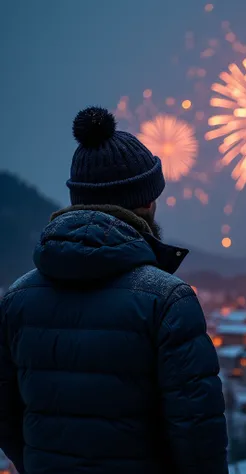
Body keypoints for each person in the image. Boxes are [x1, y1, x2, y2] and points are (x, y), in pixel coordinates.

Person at [0, 107, 228, 474]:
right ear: (147, 203)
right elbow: (199, 437)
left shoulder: (17, 298)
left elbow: (7, 416)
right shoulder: (168, 300)